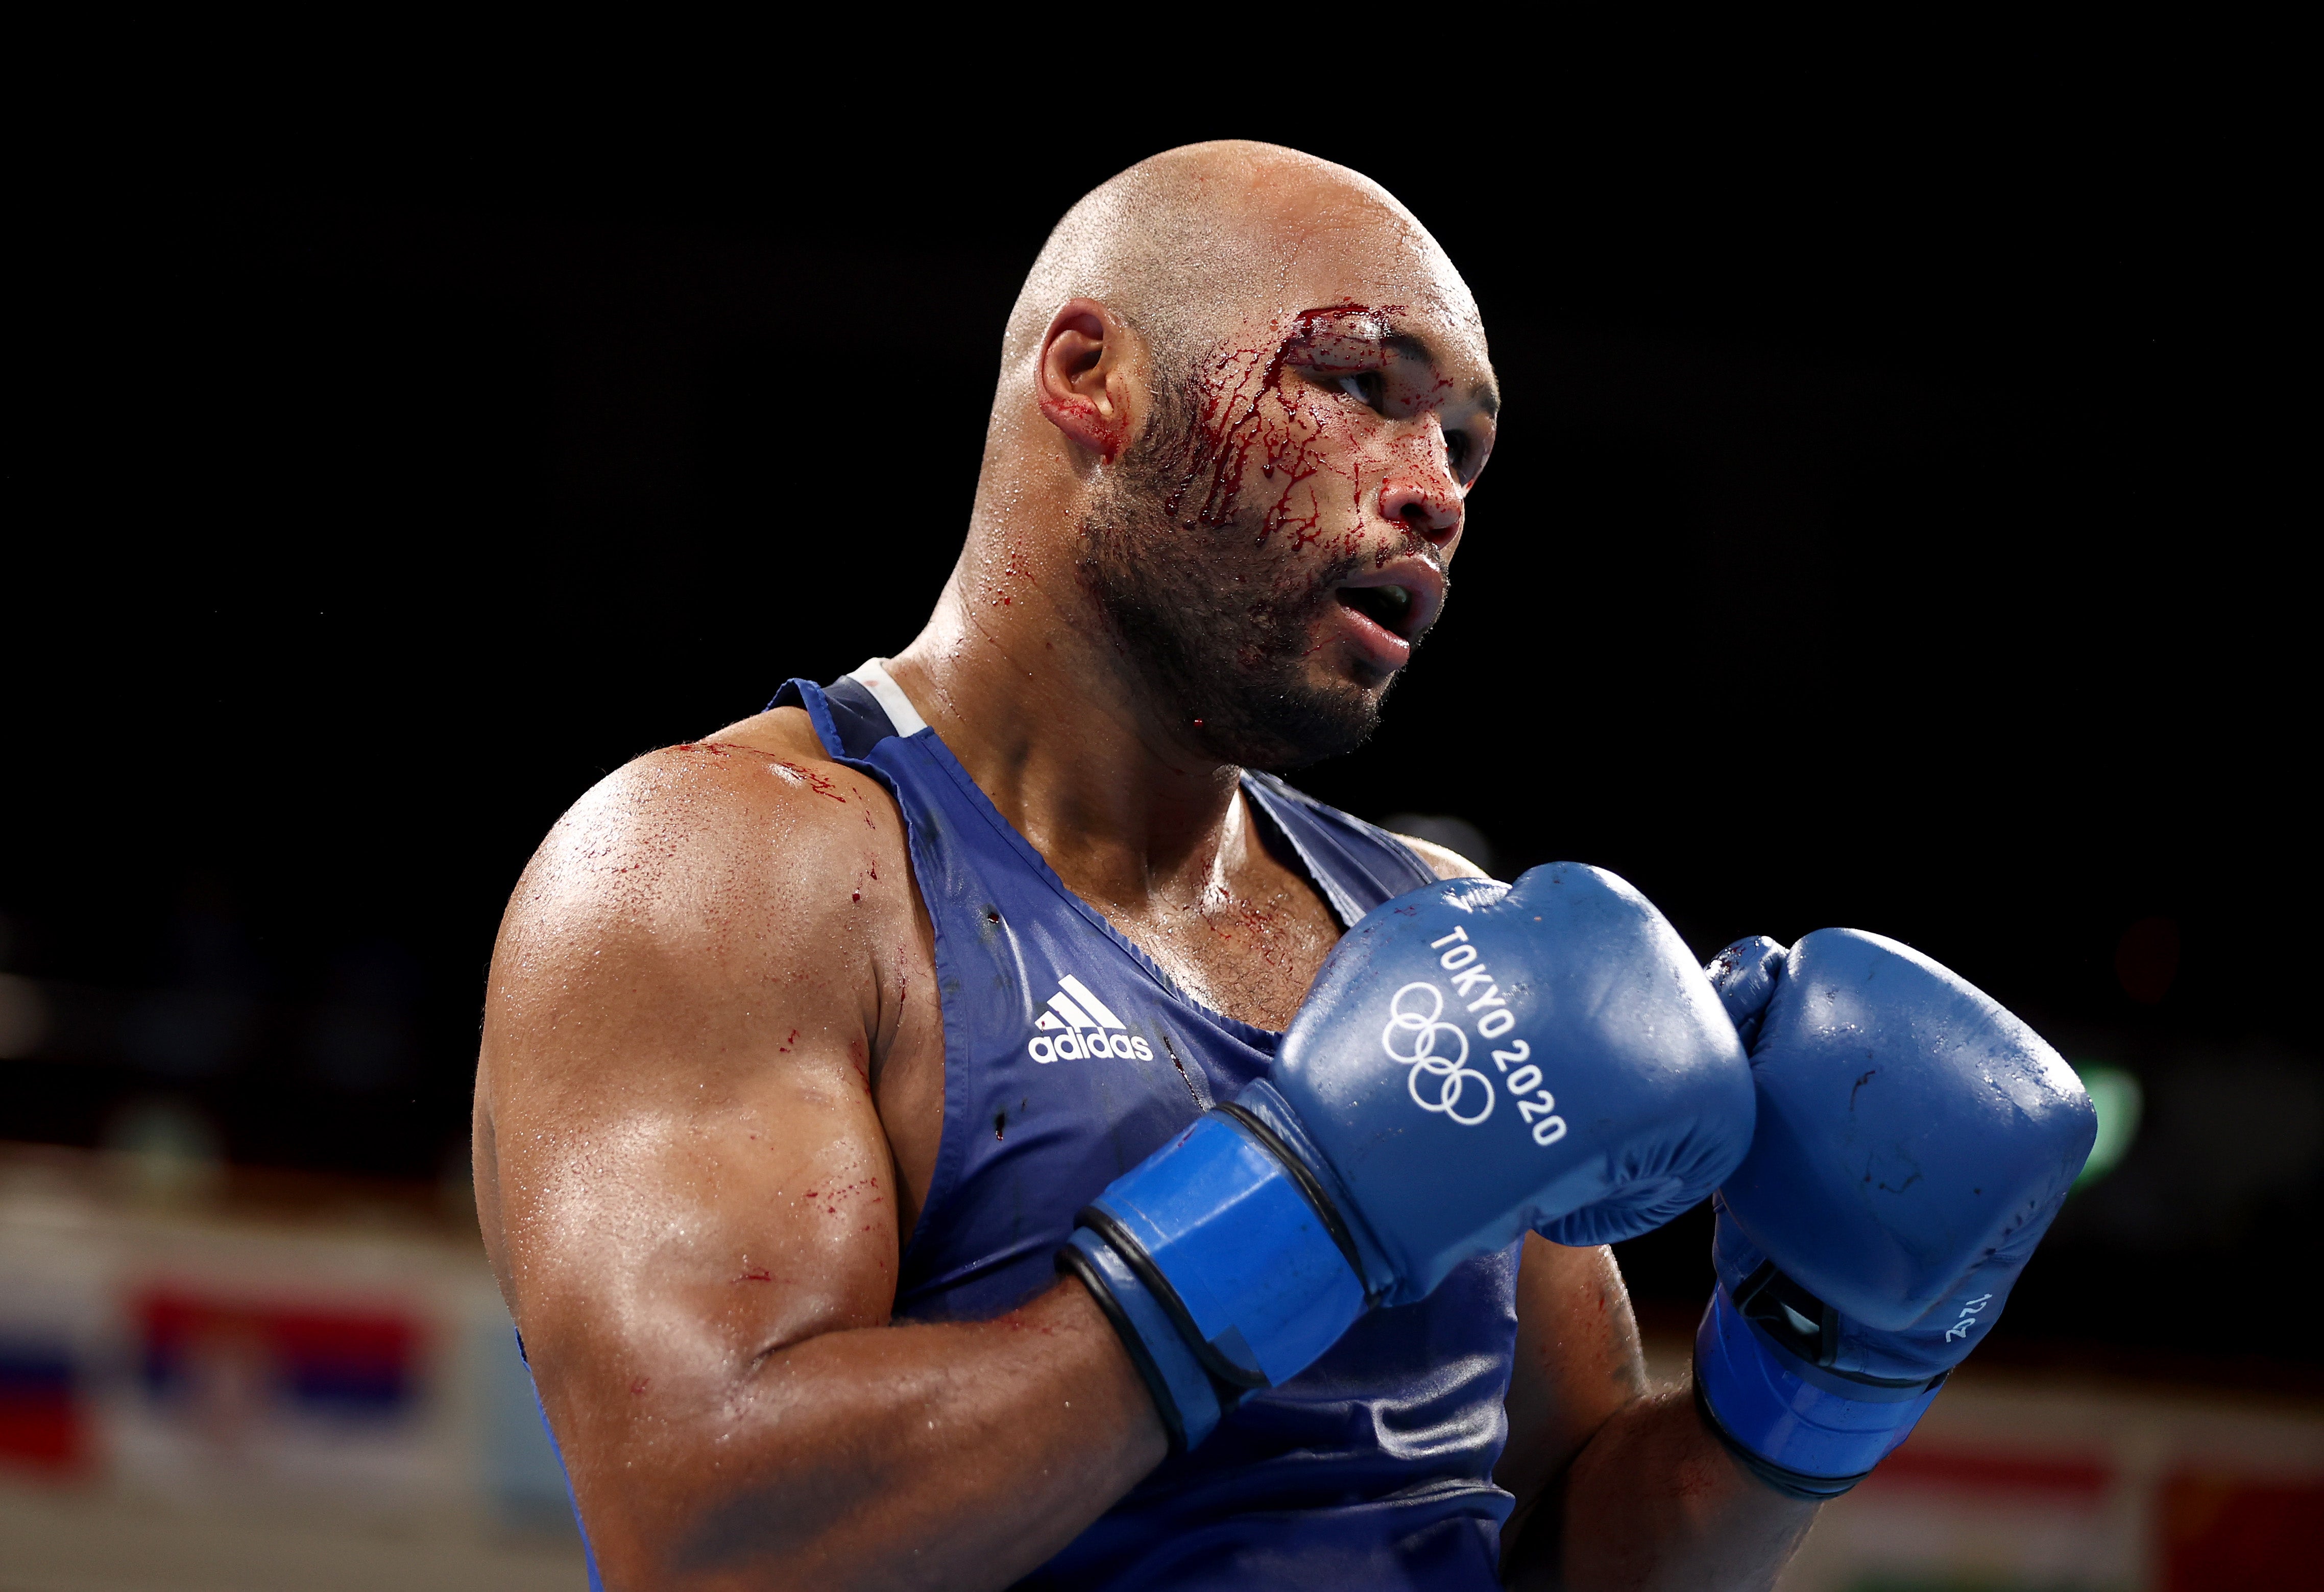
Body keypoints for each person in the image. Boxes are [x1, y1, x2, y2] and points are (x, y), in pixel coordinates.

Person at [470, 141, 2092, 1590]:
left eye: (1467, 443)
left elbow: (1558, 1549)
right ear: (1094, 376)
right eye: (1367, 386)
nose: (1435, 490)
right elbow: (706, 1534)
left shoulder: (1436, 937)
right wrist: (1303, 1208)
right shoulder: (730, 870)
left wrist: (1798, 1396)